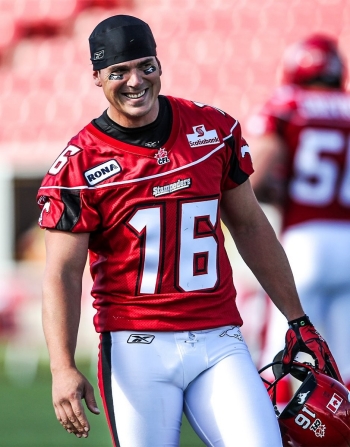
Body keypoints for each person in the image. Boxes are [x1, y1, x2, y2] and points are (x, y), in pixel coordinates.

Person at [37, 16, 343, 447]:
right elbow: (63, 272)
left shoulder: (212, 131)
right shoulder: (79, 164)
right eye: (118, 72)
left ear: (160, 63)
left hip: (219, 340)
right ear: (96, 78)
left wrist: (297, 317)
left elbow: (250, 226)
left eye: (145, 66)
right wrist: (61, 367)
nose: (134, 81)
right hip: (136, 346)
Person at [246, 34, 350, 394]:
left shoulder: (287, 104)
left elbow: (255, 179)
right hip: (348, 242)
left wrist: (281, 193)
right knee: (344, 365)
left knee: (285, 353)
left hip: (304, 243)